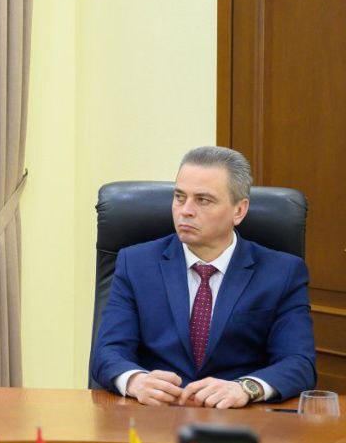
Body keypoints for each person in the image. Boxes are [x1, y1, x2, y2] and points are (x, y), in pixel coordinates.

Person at [90, 146, 315, 408]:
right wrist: (136, 381)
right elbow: (107, 352)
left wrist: (246, 387)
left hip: (236, 415)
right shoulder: (135, 263)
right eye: (179, 197)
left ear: (239, 210)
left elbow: (299, 363)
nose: (185, 210)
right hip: (155, 413)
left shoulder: (282, 272)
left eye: (203, 200)